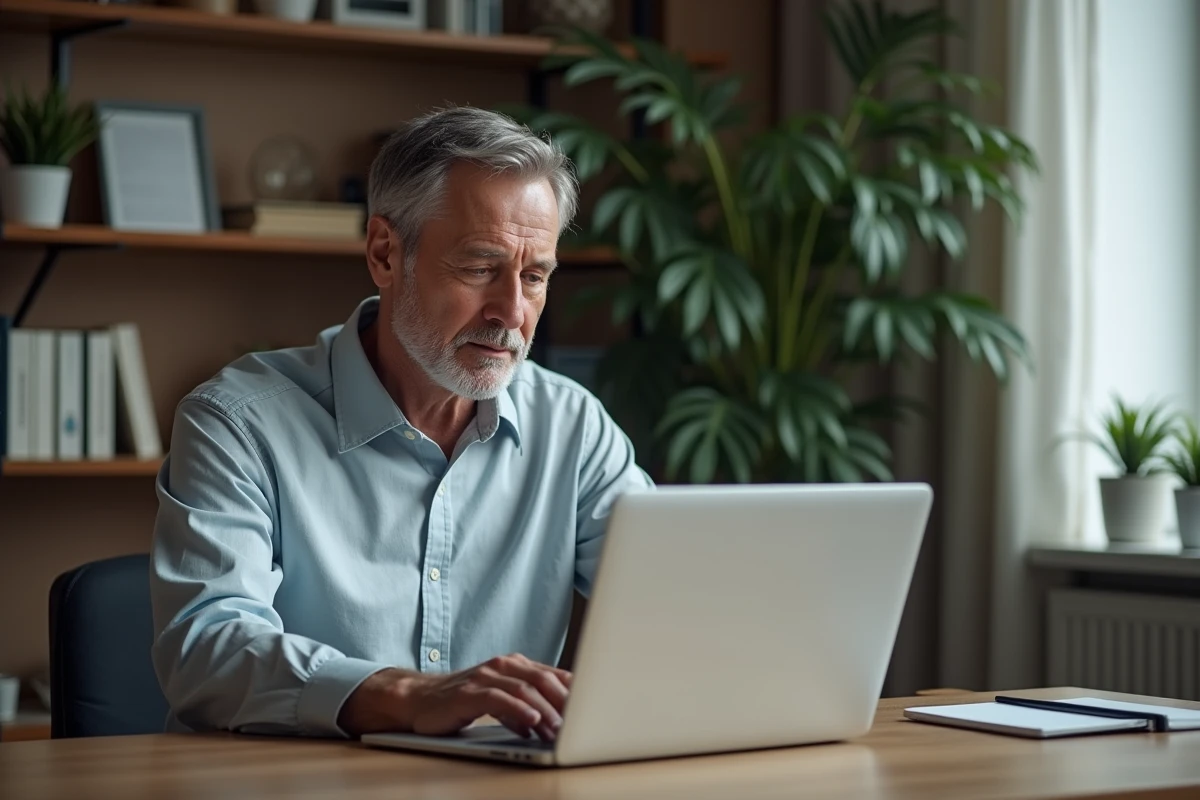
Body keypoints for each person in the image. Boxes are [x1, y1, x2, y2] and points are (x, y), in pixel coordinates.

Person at [149, 107, 653, 742]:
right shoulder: (238, 424)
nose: (512, 312)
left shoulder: (573, 427)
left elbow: (675, 603)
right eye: (478, 268)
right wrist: (408, 696)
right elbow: (206, 651)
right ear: (386, 254)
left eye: (534, 277)